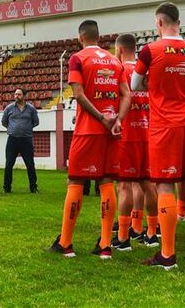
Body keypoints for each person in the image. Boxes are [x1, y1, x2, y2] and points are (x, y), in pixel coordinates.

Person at [131, 2, 185, 270]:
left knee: (165, 186)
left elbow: (134, 84)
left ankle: (167, 254)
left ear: (159, 23)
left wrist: (154, 80)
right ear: (178, 22)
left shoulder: (150, 50)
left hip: (164, 124)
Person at [48, 19, 131, 260]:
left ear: (80, 37)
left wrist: (100, 119)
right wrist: (118, 120)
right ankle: (105, 245)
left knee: (75, 181)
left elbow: (79, 94)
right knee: (107, 183)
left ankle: (65, 243)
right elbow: (127, 94)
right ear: (98, 36)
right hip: (112, 131)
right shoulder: (115, 60)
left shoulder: (77, 58)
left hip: (88, 130)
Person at [112, 33, 158, 251]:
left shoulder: (120, 72)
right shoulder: (145, 73)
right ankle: (150, 232)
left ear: (119, 50)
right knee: (149, 185)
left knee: (124, 186)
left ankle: (122, 238)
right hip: (148, 134)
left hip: (127, 136)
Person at [2, 88, 39, 193]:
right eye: (15, 94)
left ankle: (33, 187)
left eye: (19, 94)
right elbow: (4, 122)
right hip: (12, 139)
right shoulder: (9, 108)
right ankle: (7, 188)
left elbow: (35, 122)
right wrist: (13, 129)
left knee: (30, 164)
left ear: (24, 96)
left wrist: (25, 128)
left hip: (26, 140)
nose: (16, 96)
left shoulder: (31, 109)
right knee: (9, 164)